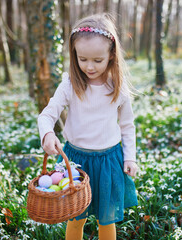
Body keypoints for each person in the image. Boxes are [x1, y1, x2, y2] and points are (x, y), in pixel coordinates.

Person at [37, 13, 138, 240]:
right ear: (74, 55)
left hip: (109, 161)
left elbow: (127, 126)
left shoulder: (117, 88)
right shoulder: (70, 85)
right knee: (75, 218)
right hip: (75, 162)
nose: (89, 67)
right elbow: (46, 115)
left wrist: (130, 157)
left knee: (107, 220)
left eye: (97, 60)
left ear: (111, 55)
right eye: (83, 59)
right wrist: (48, 134)